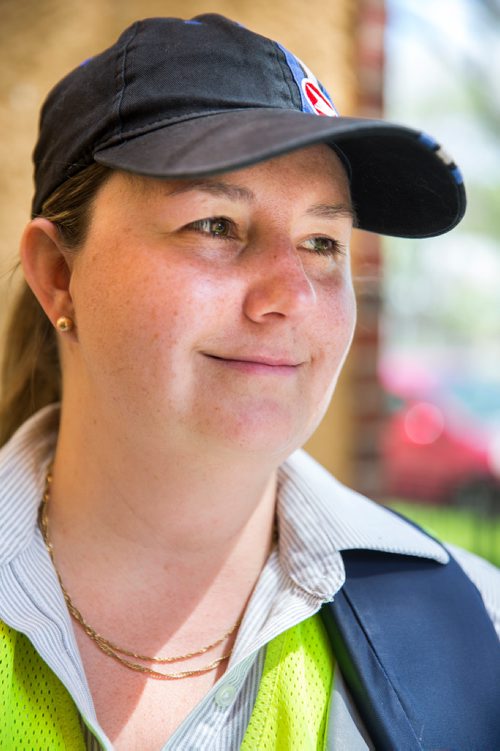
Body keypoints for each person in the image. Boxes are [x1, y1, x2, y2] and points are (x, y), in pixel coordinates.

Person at [0, 14, 498, 751]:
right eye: (216, 225)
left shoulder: (473, 631)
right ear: (58, 275)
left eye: (322, 241)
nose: (289, 294)